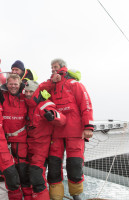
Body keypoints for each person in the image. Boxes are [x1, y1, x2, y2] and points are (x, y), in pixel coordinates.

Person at [41, 59, 94, 200]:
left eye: (56, 67)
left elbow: (86, 104)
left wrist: (88, 126)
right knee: (53, 166)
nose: (53, 70)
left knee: (75, 165)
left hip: (75, 133)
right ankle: (56, 197)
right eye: (51, 68)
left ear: (63, 68)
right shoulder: (50, 88)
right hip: (56, 133)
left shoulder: (74, 85)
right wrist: (52, 82)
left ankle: (76, 195)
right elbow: (38, 92)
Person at [24, 80, 66, 200]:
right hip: (30, 145)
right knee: (30, 176)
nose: (27, 94)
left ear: (36, 92)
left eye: (31, 91)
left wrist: (53, 116)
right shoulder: (26, 104)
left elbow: (63, 119)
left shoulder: (44, 105)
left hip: (42, 146)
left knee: (36, 175)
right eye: (26, 91)